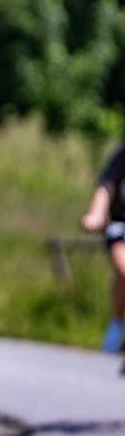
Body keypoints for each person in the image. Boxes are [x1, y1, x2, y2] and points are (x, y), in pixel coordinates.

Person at [81, 144, 125, 353]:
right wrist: (96, 213)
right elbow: (106, 187)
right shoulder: (122, 156)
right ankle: (116, 324)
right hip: (120, 229)